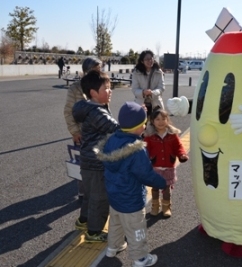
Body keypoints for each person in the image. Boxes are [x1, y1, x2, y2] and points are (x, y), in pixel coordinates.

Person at [95, 101, 167, 267]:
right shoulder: (136, 149)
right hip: (131, 199)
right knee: (137, 230)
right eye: (144, 123)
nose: (145, 126)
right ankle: (140, 258)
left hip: (114, 196)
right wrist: (162, 182)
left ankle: (113, 247)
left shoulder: (111, 140)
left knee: (116, 223)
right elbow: (146, 174)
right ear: (138, 127)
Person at [72, 70, 119, 242]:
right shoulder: (97, 113)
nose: (110, 91)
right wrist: (135, 123)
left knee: (90, 195)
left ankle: (83, 220)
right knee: (100, 198)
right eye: (106, 88)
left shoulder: (89, 108)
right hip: (98, 163)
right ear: (93, 93)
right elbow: (115, 128)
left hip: (87, 161)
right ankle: (93, 232)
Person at [63, 56, 102, 202]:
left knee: (99, 160)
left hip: (99, 131)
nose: (98, 72)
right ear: (86, 71)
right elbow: (68, 111)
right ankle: (83, 191)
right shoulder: (75, 88)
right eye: (95, 69)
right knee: (82, 162)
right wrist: (74, 131)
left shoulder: (101, 85)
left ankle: (97, 189)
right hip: (82, 132)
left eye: (99, 69)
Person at [143, 109, 188, 217]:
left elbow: (178, 147)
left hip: (168, 167)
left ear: (168, 120)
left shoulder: (172, 134)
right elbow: (145, 149)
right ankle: (155, 206)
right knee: (155, 188)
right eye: (157, 119)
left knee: (167, 188)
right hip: (155, 167)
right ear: (152, 121)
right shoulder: (149, 136)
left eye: (163, 119)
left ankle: (166, 207)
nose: (161, 121)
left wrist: (182, 154)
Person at [131, 50, 165, 118]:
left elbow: (161, 87)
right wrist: (143, 92)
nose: (149, 61)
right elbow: (134, 89)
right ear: (142, 61)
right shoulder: (136, 73)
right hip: (141, 104)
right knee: (142, 126)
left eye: (151, 58)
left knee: (157, 126)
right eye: (147, 59)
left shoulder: (158, 71)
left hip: (156, 104)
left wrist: (152, 92)